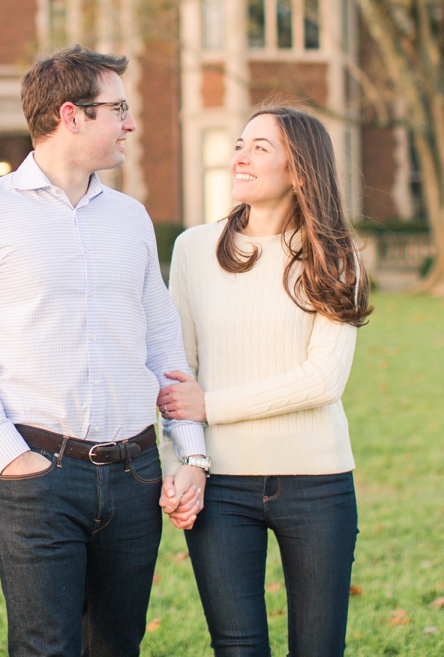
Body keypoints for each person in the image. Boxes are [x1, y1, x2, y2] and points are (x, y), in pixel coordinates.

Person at [0, 46, 210, 657]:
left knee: (116, 647)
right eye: (119, 109)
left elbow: (162, 341)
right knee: (44, 648)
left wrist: (191, 453)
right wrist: (8, 454)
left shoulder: (132, 219)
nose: (130, 125)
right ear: (71, 115)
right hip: (37, 475)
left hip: (136, 475)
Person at [156, 105, 371, 657]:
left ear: (299, 170)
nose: (240, 156)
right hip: (221, 485)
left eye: (260, 147)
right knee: (236, 646)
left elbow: (323, 380)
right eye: (238, 143)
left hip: (318, 484)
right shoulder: (192, 249)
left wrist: (212, 406)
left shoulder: (334, 257)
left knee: (319, 648)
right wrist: (185, 465)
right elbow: (178, 376)